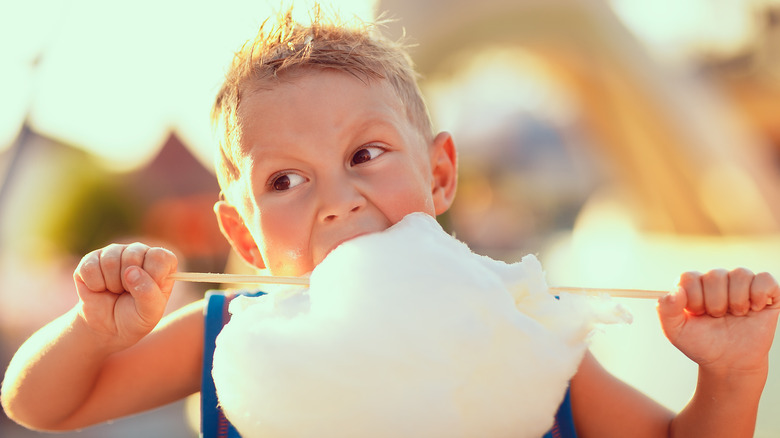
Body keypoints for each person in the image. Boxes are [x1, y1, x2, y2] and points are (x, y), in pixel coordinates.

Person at [2, 7, 779, 438]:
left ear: (440, 174)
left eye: (366, 153)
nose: (336, 200)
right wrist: (93, 329)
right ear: (243, 237)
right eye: (285, 180)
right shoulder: (222, 335)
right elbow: (40, 406)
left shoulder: (527, 329)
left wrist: (730, 373)